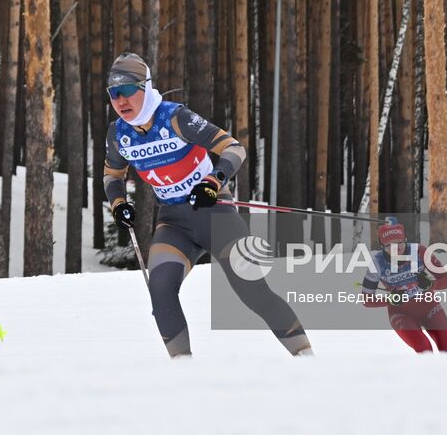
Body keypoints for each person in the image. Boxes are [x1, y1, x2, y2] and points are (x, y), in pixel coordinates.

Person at [101, 52, 312, 358]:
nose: (120, 100)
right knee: (160, 288)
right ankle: (184, 374)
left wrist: (214, 181)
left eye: (127, 90)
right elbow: (112, 174)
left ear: (145, 88)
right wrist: (118, 203)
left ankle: (307, 358)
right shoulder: (118, 134)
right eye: (113, 93)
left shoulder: (175, 117)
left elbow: (233, 148)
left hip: (214, 214)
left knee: (252, 290)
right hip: (173, 222)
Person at [360, 219, 447, 353]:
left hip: (430, 308)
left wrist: (431, 284)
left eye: (399, 243)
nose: (396, 249)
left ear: (405, 239)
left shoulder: (420, 252)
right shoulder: (377, 263)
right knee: (424, 348)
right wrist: (390, 300)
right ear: (382, 246)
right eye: (389, 245)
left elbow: (446, 280)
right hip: (401, 314)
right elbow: (366, 300)